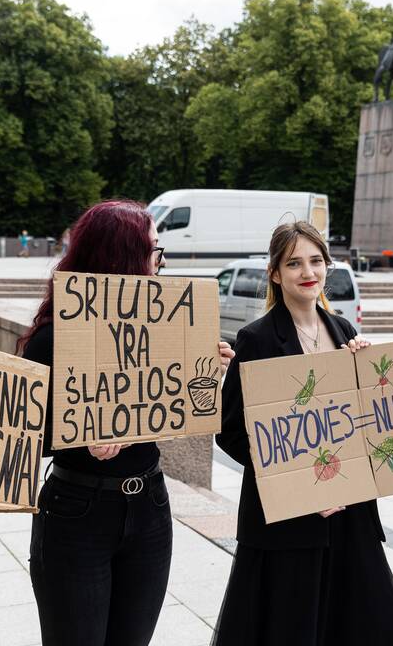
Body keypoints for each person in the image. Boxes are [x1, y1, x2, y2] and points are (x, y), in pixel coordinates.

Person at [18, 200, 234, 646]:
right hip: (77, 511)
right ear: (120, 257)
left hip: (150, 505)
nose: (160, 263)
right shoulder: (54, 335)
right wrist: (79, 440)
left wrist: (207, 369)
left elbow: (168, 401)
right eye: (153, 251)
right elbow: (22, 433)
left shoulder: (164, 324)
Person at [212, 221, 393, 646]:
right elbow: (230, 433)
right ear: (275, 273)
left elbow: (365, 425)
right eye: (295, 263)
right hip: (287, 525)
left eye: (316, 261)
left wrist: (372, 375)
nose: (308, 272)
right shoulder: (257, 339)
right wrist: (304, 485)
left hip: (350, 517)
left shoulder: (346, 333)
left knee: (375, 625)